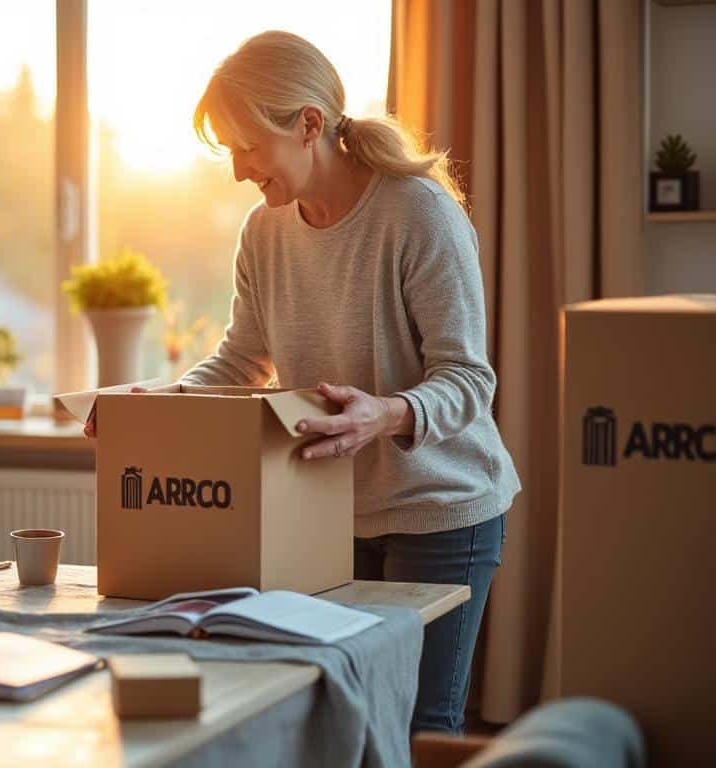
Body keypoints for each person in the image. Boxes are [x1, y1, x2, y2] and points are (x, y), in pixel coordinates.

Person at [88, 31, 519, 734]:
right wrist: (161, 408)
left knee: (417, 726)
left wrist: (383, 414)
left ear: (308, 124)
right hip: (325, 513)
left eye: (246, 146)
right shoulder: (264, 231)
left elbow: (469, 378)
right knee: (337, 720)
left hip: (441, 509)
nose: (236, 171)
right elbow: (241, 360)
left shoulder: (418, 214)